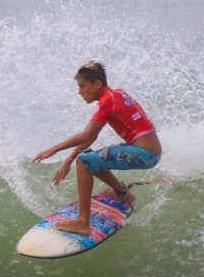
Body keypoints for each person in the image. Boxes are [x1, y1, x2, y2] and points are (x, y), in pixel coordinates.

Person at [33, 61, 162, 235]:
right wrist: (68, 160)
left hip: (145, 154)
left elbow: (86, 135)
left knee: (85, 162)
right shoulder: (116, 95)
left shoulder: (108, 101)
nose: (80, 92)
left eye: (82, 86)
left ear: (98, 83)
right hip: (148, 152)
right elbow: (91, 137)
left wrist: (54, 149)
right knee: (91, 158)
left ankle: (83, 223)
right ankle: (122, 192)